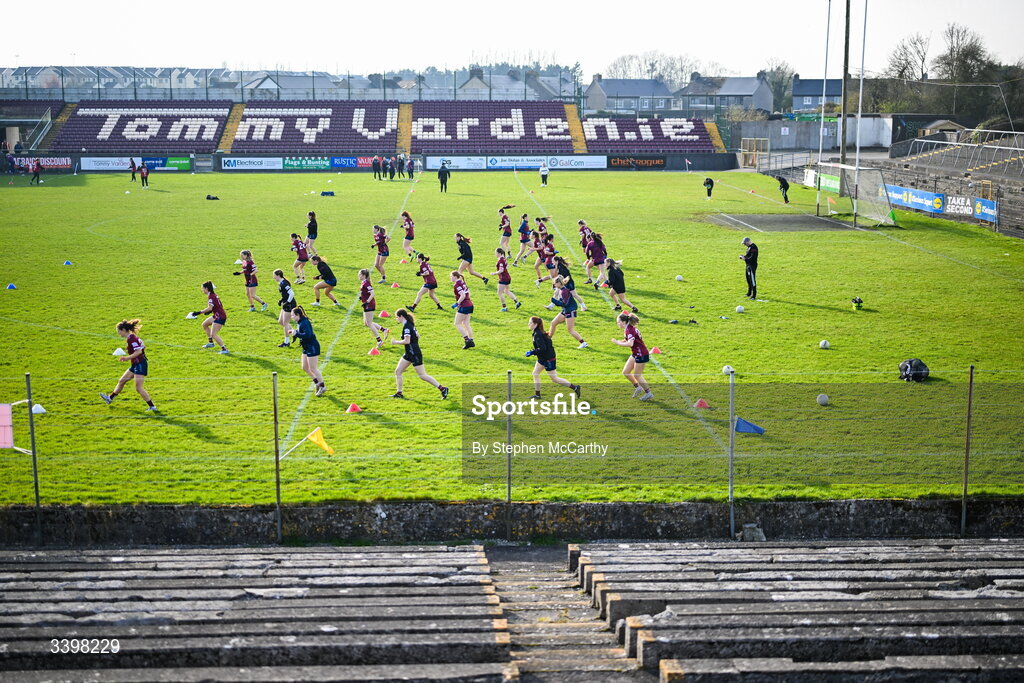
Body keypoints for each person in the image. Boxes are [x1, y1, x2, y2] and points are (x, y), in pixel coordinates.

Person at [390, 309, 449, 400]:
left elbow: (407, 341)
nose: (396, 319)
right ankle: (399, 392)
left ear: (401, 316)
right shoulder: (410, 325)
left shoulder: (407, 327)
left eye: (397, 317)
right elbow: (418, 336)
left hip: (414, 354)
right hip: (409, 353)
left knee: (422, 375)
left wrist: (396, 342)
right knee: (398, 371)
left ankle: (442, 388)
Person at [100, 319, 157, 411]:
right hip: (135, 364)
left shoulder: (132, 339)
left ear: (123, 330)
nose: (118, 334)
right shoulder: (131, 338)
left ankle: (152, 406)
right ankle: (110, 398)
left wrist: (127, 358)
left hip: (140, 364)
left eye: (119, 331)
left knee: (138, 388)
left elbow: (138, 352)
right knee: (122, 381)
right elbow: (142, 347)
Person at [526, 316, 580, 399]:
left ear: (535, 324)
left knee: (554, 379)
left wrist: (532, 352)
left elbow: (543, 348)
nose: (528, 324)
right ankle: (537, 395)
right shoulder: (536, 332)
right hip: (542, 358)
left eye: (530, 323)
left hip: (548, 359)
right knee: (535, 373)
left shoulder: (538, 334)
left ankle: (575, 387)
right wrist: (533, 351)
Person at [613, 313, 653, 401]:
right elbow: (629, 339)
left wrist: (619, 343)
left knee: (637, 375)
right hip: (636, 353)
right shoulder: (627, 328)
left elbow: (630, 343)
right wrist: (621, 341)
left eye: (618, 322)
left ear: (623, 322)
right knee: (626, 372)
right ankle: (638, 387)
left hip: (641, 354)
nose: (618, 324)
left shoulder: (629, 330)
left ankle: (648, 393)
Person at [288, 306, 326, 396]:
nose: (291, 317)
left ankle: (322, 386)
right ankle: (317, 382)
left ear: (298, 315)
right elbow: (301, 332)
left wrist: (296, 333)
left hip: (312, 346)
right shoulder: (300, 321)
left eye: (293, 315)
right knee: (305, 367)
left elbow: (308, 335)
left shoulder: (304, 322)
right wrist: (294, 332)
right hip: (306, 346)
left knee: (313, 368)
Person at [548, 276, 588, 349]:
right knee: (553, 323)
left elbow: (564, 304)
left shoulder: (564, 291)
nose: (554, 285)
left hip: (570, 311)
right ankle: (548, 339)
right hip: (565, 310)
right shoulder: (561, 290)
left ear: (559, 283)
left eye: (555, 284)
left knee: (570, 330)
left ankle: (583, 343)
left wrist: (554, 301)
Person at [194, 281, 229, 354]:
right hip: (217, 315)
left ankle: (224, 349)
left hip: (219, 316)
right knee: (204, 324)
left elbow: (210, 307)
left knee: (214, 334)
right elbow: (217, 306)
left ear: (206, 288)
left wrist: (199, 312)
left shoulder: (211, 297)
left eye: (203, 288)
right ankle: (211, 343)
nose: (202, 290)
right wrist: (210, 311)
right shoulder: (213, 295)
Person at [359, 268, 390, 348]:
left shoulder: (366, 283)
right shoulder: (363, 282)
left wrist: (367, 301)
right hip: (367, 304)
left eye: (360, 274)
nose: (358, 276)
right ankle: (384, 330)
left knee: (369, 323)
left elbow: (372, 293)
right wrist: (361, 297)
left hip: (369, 305)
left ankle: (379, 340)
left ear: (364, 275)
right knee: (366, 323)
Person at [449, 271, 475, 349]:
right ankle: (471, 340)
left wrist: (457, 303)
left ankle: (467, 341)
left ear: (455, 277)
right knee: (466, 324)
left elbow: (462, 295)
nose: (450, 278)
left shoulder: (457, 284)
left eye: (451, 276)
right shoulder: (462, 282)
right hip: (470, 304)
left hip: (464, 306)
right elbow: (468, 292)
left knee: (457, 323)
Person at [273, 269, 297, 347]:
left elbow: (291, 293)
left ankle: (286, 342)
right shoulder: (281, 283)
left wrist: (288, 302)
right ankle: (294, 333)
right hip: (286, 304)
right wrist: (281, 300)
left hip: (289, 305)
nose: (273, 277)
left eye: (274, 276)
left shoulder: (284, 283)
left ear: (278, 275)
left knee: (285, 323)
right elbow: (285, 294)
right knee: (280, 321)